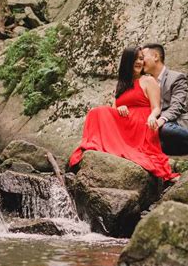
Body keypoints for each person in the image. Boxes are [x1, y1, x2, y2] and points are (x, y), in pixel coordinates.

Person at [69, 47, 179, 182]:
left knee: (98, 112)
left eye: (141, 58)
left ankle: (104, 145)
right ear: (127, 62)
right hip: (124, 122)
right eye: (135, 59)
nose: (139, 62)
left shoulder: (148, 80)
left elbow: (156, 107)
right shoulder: (122, 84)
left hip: (141, 123)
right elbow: (113, 109)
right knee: (95, 112)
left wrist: (152, 116)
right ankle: (96, 144)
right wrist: (120, 107)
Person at [142, 43, 188, 155]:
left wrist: (161, 120)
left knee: (166, 129)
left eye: (143, 56)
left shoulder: (176, 77)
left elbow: (177, 106)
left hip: (173, 125)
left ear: (155, 56)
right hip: (154, 130)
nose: (141, 61)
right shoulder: (144, 81)